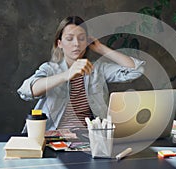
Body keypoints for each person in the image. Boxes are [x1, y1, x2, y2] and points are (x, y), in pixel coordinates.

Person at [17, 16, 145, 131]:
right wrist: (66, 74)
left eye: (82, 39)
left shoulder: (97, 69)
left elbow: (136, 70)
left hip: (89, 140)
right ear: (59, 43)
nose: (76, 44)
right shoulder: (50, 69)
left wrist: (101, 48)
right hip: (53, 138)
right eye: (69, 39)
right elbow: (27, 90)